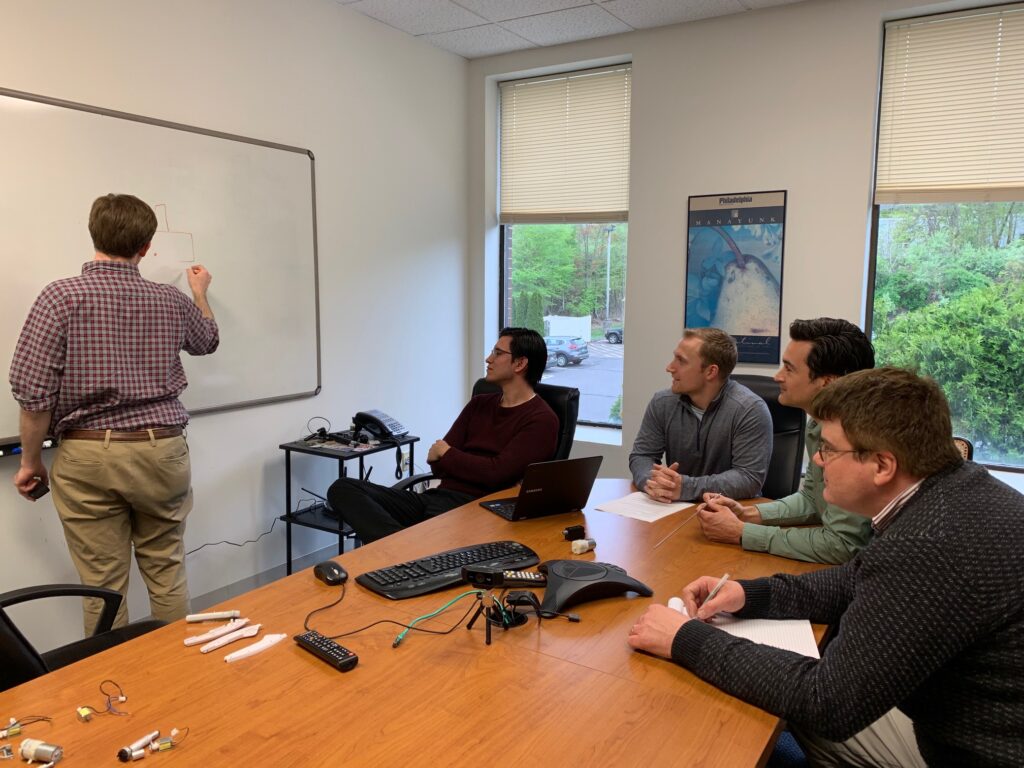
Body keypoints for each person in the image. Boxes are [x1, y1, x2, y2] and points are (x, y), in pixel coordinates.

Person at [628, 368, 1024, 768]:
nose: (817, 459)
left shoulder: (927, 543)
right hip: (970, 718)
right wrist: (751, 594)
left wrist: (684, 639)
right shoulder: (960, 487)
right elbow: (854, 579)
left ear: (883, 465)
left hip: (970, 751)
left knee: (779, 705)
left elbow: (828, 702)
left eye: (830, 450)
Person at [10, 193, 219, 633]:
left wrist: (31, 463)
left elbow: (33, 395)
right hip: (163, 451)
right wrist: (199, 294)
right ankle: (178, 678)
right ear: (145, 248)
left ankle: (112, 687)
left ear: (93, 234)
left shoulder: (60, 297)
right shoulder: (170, 299)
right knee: (166, 569)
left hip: (88, 456)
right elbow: (207, 341)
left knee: (102, 585)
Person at [328, 327, 558, 543]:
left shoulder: (541, 420)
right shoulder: (480, 404)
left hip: (477, 510)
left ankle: (398, 552)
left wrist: (449, 455)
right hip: (437, 498)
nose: (489, 359)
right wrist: (453, 458)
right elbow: (437, 463)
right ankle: (398, 551)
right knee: (343, 488)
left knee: (426, 532)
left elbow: (495, 474)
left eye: (498, 353)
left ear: (520, 363)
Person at [697, 318, 875, 563]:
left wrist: (742, 533)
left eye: (789, 368)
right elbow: (812, 500)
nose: (778, 377)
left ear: (828, 383)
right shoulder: (820, 423)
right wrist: (747, 514)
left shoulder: (859, 439)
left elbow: (843, 545)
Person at [629, 327, 772, 502]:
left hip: (730, 513)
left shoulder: (749, 410)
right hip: (673, 508)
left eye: (681, 361)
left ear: (710, 372)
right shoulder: (662, 403)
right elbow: (642, 455)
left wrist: (685, 487)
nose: (670, 367)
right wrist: (653, 482)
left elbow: (748, 478)